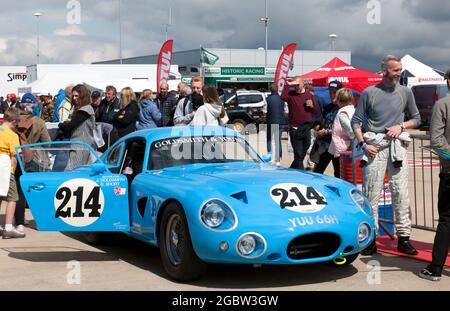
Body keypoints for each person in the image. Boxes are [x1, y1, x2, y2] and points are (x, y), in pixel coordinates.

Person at [351, 55, 421, 255]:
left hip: (396, 148)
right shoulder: (369, 93)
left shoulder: (405, 92)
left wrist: (400, 126)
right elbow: (356, 122)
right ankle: (370, 239)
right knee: (371, 194)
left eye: (400, 69)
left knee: (401, 193)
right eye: (395, 70)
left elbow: (416, 119)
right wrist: (363, 144)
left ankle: (404, 238)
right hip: (375, 147)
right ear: (384, 71)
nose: (399, 73)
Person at [418, 69, 450, 281]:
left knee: (447, 218)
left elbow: (437, 140)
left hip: (449, 171)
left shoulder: (443, 104)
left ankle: (436, 267)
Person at [281, 76, 319, 169]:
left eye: (298, 84)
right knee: (298, 153)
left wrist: (312, 106)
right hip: (295, 128)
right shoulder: (291, 94)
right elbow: (282, 97)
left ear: (303, 84)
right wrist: (288, 85)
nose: (296, 86)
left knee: (302, 152)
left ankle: (292, 170)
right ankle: (301, 173)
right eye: (295, 85)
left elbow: (316, 111)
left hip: (306, 128)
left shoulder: (309, 95)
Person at [0, 108, 25, 239]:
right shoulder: (12, 135)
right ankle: (8, 228)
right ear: (14, 121)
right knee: (13, 198)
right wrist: (12, 172)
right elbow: (15, 157)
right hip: (4, 164)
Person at [58, 84, 96, 171]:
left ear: (82, 96)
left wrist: (61, 124)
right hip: (79, 145)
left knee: (74, 171)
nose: (74, 98)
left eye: (77, 96)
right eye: (73, 95)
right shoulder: (83, 109)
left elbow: (69, 126)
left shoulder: (85, 110)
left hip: (81, 146)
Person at [312, 81, 343, 177]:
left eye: (335, 92)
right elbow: (323, 121)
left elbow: (343, 129)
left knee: (338, 173)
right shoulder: (328, 107)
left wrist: (325, 131)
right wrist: (318, 126)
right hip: (325, 144)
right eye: (330, 92)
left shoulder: (344, 108)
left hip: (338, 145)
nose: (332, 95)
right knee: (317, 171)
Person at [266, 83, 288, 166]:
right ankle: (278, 160)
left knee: (269, 140)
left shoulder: (267, 99)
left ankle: (270, 158)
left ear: (270, 90)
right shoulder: (282, 99)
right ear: (277, 89)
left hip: (270, 121)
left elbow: (265, 111)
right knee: (277, 140)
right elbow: (286, 111)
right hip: (281, 122)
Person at [329, 88, 356, 158]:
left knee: (342, 168)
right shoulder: (353, 110)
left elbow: (351, 130)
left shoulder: (342, 113)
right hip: (346, 146)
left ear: (339, 100)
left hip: (344, 147)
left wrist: (353, 144)